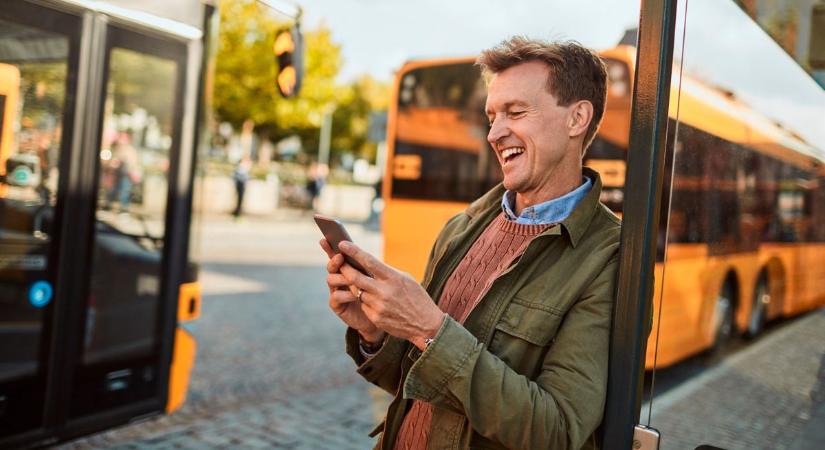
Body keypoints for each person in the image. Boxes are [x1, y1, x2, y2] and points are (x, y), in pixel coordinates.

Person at [320, 37, 620, 450]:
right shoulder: (465, 224)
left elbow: (558, 431)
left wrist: (429, 329)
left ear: (577, 119)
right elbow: (421, 386)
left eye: (515, 112)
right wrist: (374, 332)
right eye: (492, 116)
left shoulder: (610, 257)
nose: (495, 133)